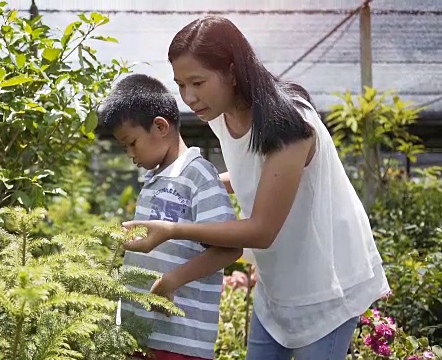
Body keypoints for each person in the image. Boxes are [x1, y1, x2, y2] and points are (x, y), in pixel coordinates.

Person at [122, 16, 391, 360]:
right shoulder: (220, 115)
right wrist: (191, 191)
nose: (189, 97)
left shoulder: (291, 123)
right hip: (277, 284)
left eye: (198, 82)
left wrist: (172, 229)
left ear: (232, 72)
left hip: (326, 284)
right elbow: (252, 175)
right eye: (181, 84)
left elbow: (262, 230)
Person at [99, 73, 243, 360]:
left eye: (132, 143)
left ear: (160, 126)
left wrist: (171, 281)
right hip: (140, 333)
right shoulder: (153, 179)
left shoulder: (198, 175)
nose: (129, 153)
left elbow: (229, 248)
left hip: (180, 340)